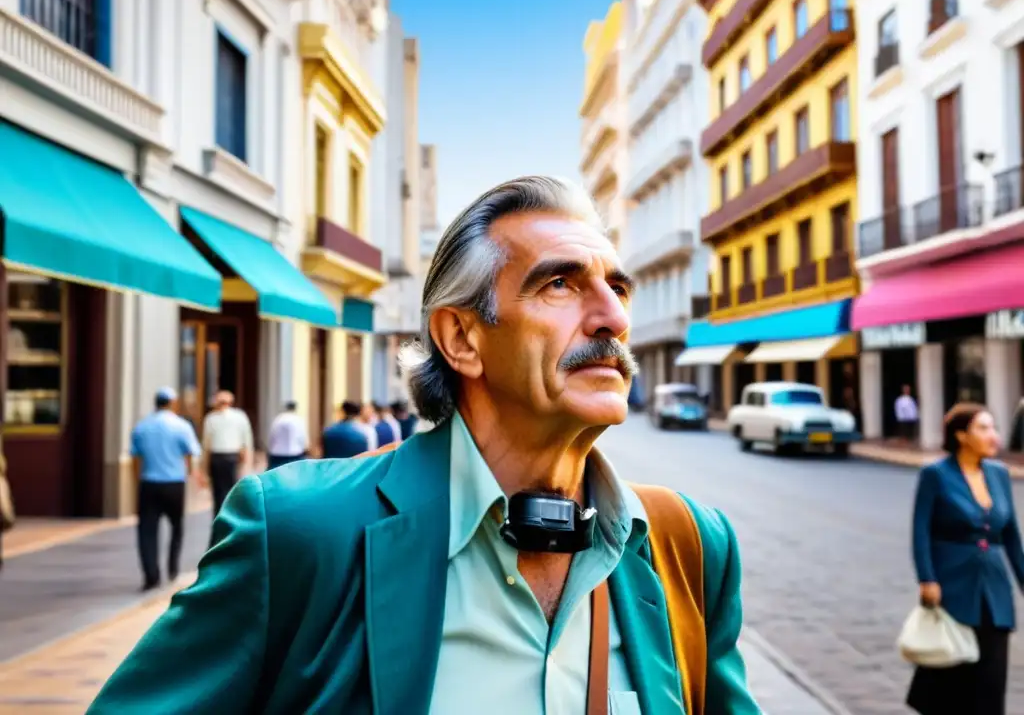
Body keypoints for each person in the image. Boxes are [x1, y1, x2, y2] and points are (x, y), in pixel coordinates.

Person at [88, 176, 758, 712]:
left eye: (616, 286)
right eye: (560, 283)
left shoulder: (692, 546)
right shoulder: (297, 532)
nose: (612, 316)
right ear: (462, 338)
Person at [907, 402, 1024, 714]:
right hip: (953, 586)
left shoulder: (999, 474)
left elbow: (1011, 535)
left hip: (995, 589)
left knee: (992, 676)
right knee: (951, 672)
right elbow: (921, 531)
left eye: (993, 427)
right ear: (961, 435)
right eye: (983, 428)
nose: (993, 435)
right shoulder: (935, 475)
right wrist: (927, 578)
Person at [129, 387, 201, 590]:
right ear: (172, 403)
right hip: (174, 483)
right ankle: (172, 568)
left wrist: (138, 481)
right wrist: (189, 475)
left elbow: (136, 458)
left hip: (149, 483)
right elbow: (191, 453)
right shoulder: (181, 426)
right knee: (177, 527)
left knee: (147, 530)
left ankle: (151, 575)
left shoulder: (142, 426)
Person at [200, 391, 253, 519]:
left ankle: (221, 517)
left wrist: (204, 467)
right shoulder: (238, 416)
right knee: (228, 490)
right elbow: (246, 441)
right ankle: (228, 517)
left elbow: (206, 445)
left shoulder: (211, 418)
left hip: (222, 457)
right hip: (227, 457)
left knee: (220, 491)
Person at [266, 401, 308, 471]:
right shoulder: (298, 419)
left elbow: (271, 437)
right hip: (294, 454)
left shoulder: (278, 419)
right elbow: (303, 438)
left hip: (276, 454)